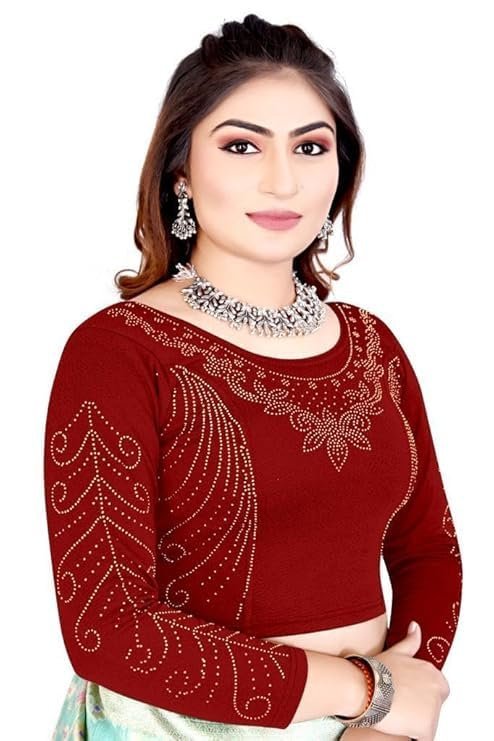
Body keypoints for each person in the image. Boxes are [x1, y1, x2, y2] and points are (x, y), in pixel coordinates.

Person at [44, 13, 461, 741]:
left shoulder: (373, 346)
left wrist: (389, 719)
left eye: (310, 147)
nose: (282, 180)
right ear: (181, 169)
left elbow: (428, 548)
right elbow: (107, 628)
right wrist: (370, 689)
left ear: (341, 170)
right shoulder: (117, 352)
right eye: (242, 145)